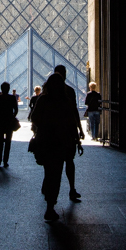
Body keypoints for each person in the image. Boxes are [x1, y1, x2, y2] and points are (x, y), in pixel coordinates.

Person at [30, 73, 82, 221]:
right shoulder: (65, 101)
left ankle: (49, 201)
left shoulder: (43, 100)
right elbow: (72, 124)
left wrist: (44, 126)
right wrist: (77, 140)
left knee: (49, 171)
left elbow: (34, 118)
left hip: (46, 141)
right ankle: (50, 205)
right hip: (60, 142)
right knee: (57, 173)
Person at [53, 65, 84, 201]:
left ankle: (50, 197)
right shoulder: (70, 91)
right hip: (68, 132)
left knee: (53, 165)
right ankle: (71, 189)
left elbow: (38, 117)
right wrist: (79, 130)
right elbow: (74, 113)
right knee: (69, 162)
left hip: (53, 133)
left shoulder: (47, 93)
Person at [0, 80, 19, 166]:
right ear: (9, 89)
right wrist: (13, 117)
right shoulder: (12, 98)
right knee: (8, 142)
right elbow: (16, 110)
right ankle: (5, 160)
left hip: (0, 121)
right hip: (9, 121)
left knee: (0, 141)